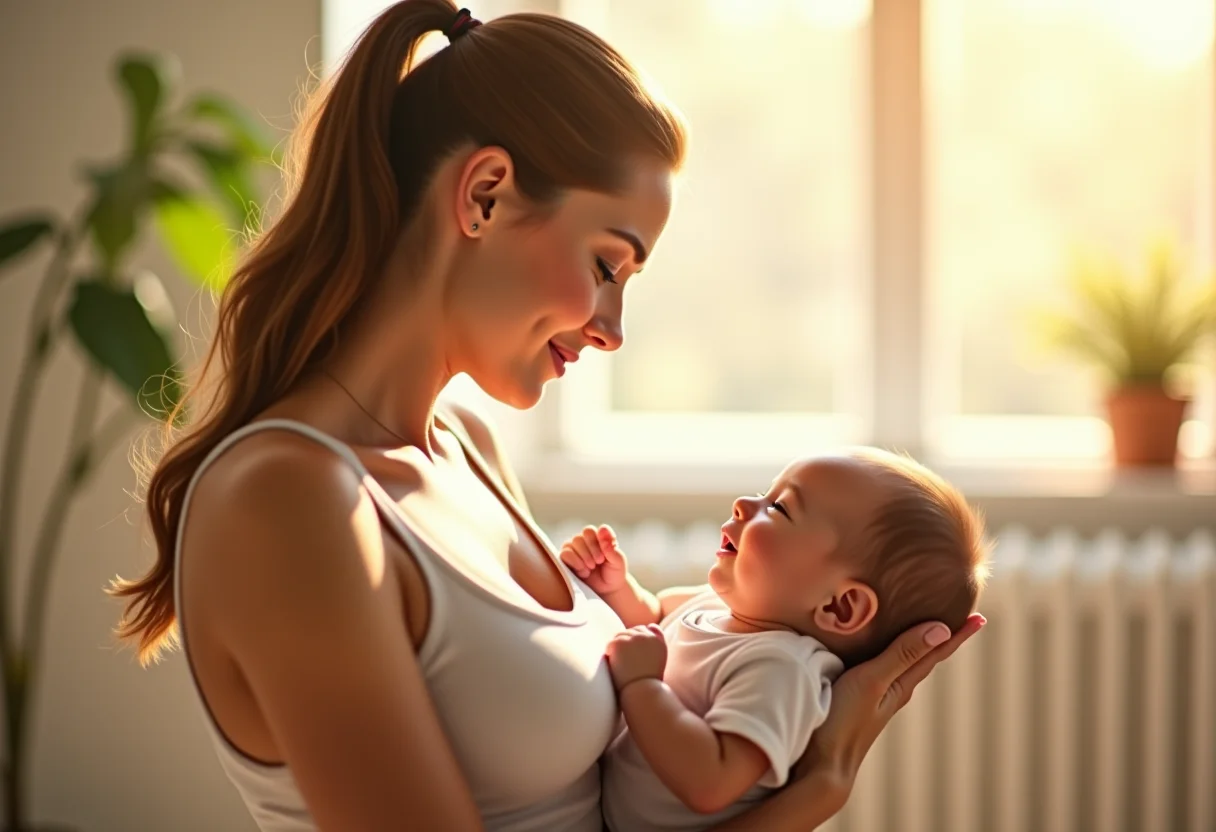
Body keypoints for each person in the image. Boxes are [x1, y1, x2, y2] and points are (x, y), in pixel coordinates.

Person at [110, 2, 985, 829]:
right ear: (484, 194)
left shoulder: (466, 447)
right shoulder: (291, 501)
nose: (612, 331)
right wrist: (816, 790)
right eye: (608, 266)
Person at [557, 449, 989, 831]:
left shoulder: (782, 670)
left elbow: (712, 782)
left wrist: (642, 687)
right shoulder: (719, 608)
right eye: (767, 492)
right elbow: (651, 622)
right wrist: (615, 587)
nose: (745, 503)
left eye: (779, 509)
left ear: (841, 607)